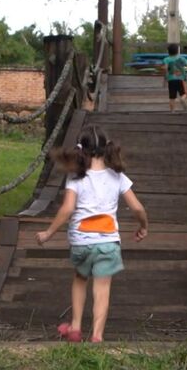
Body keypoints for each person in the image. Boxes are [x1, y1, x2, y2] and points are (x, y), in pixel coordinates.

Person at [35, 125, 149, 343]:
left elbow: (67, 209)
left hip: (81, 242)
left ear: (82, 151)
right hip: (107, 242)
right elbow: (136, 208)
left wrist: (49, 233)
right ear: (106, 148)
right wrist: (143, 225)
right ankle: (97, 335)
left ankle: (76, 328)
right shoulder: (118, 177)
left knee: (80, 279)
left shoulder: (76, 178)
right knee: (102, 287)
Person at [162, 43, 187, 112]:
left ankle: (172, 111)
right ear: (178, 51)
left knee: (172, 97)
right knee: (184, 93)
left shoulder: (166, 59)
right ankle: (182, 99)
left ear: (168, 51)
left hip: (171, 80)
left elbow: (165, 69)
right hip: (181, 79)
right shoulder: (182, 58)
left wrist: (165, 79)